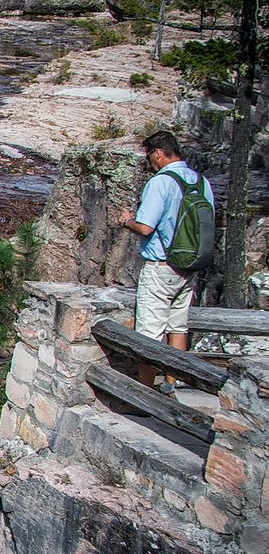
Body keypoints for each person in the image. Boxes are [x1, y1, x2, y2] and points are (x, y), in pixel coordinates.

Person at [117, 130, 215, 391]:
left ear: (158, 154)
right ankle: (172, 384)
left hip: (161, 266)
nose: (150, 163)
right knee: (178, 328)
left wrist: (127, 220)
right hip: (189, 267)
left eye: (150, 157)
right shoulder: (201, 182)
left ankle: (145, 393)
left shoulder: (160, 183)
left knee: (149, 333)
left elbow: (146, 227)